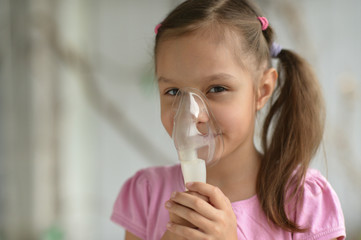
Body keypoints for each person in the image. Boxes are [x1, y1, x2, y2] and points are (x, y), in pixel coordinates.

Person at [111, 0, 346, 239]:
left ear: (262, 90)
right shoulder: (147, 195)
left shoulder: (303, 200)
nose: (194, 114)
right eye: (173, 92)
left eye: (217, 88)